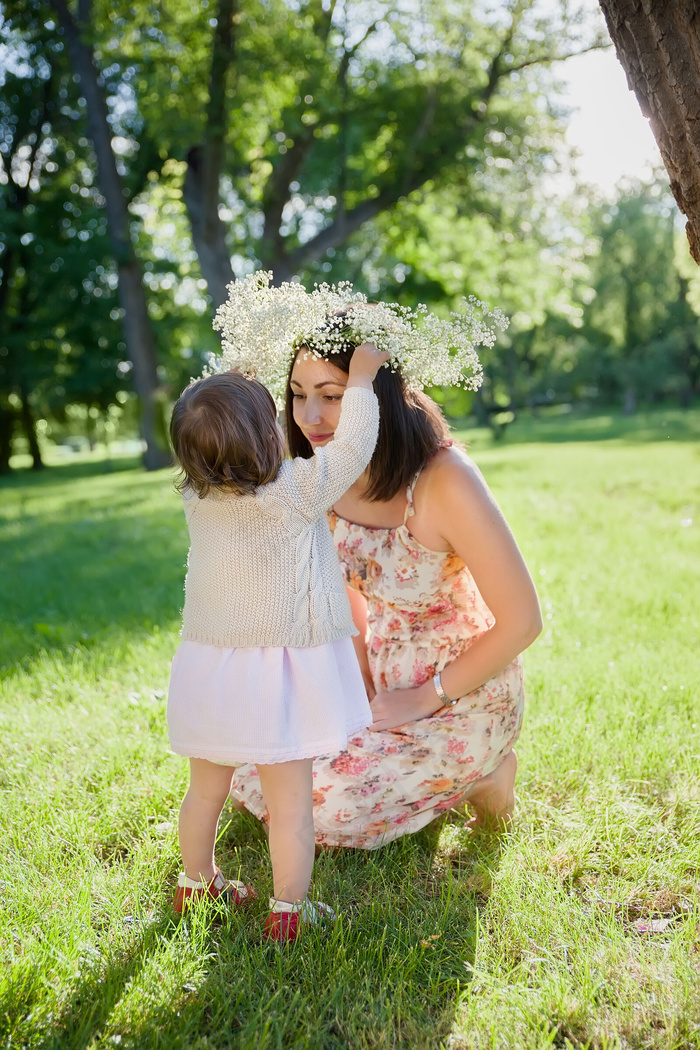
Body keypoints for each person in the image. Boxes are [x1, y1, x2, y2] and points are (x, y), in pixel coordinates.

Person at [231, 336, 542, 848]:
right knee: (257, 769)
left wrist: (424, 697)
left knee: (328, 804)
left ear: (376, 394)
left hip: (464, 693)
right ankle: (435, 778)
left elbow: (524, 621)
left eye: (332, 395)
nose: (311, 415)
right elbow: (350, 604)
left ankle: (487, 774)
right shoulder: (322, 480)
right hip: (382, 688)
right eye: (297, 393)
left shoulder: (444, 479)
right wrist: (362, 694)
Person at [167, 341, 389, 939]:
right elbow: (353, 447)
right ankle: (289, 908)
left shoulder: (198, 497)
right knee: (290, 806)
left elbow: (219, 429)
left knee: (204, 790)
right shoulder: (296, 490)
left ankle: (196, 882)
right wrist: (362, 379)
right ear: (268, 437)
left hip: (211, 667)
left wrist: (233, 394)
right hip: (282, 675)